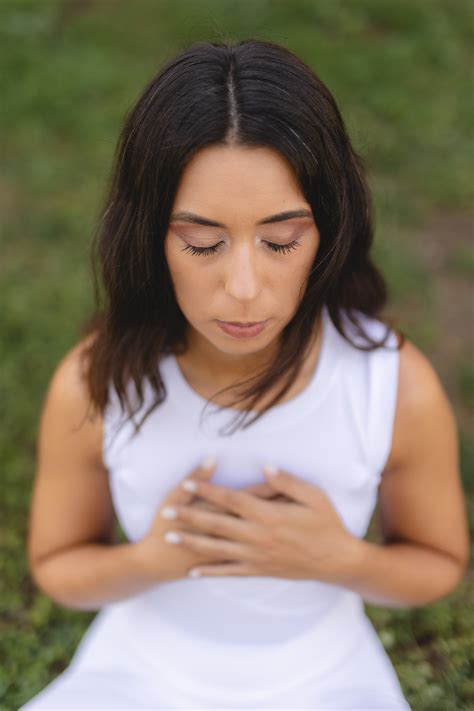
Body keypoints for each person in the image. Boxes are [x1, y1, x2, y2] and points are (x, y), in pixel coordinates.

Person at [20, 38, 469, 710]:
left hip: (325, 677)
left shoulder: (392, 385)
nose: (243, 287)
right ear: (149, 236)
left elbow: (436, 563)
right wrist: (154, 559)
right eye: (201, 243)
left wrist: (337, 557)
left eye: (281, 240)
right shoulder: (93, 383)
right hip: (140, 671)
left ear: (329, 232)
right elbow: (59, 566)